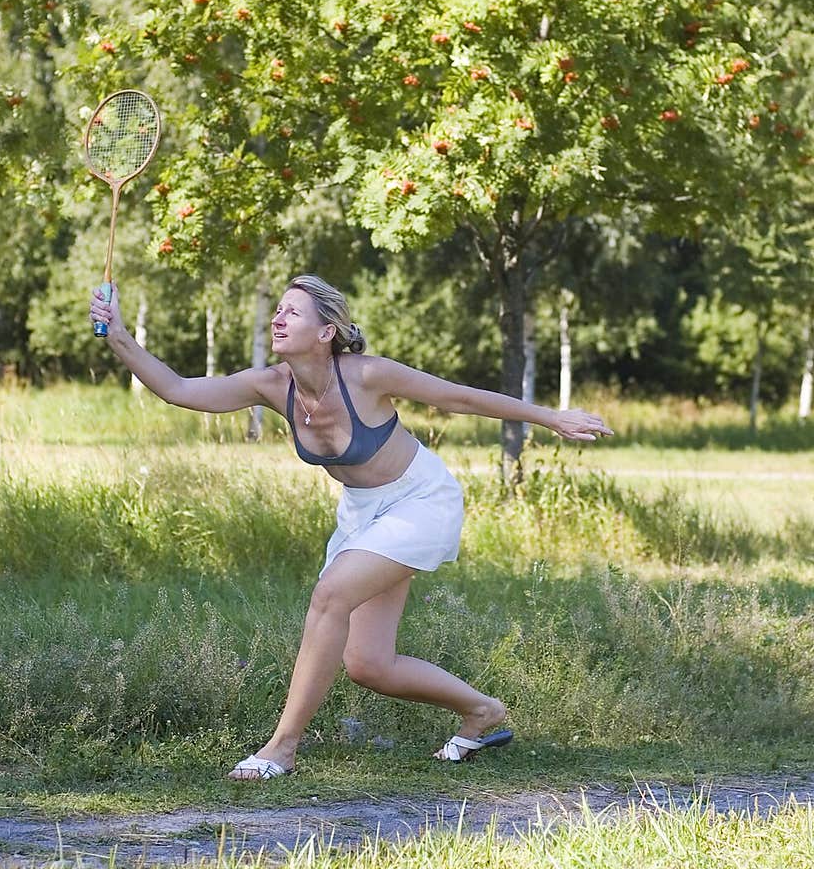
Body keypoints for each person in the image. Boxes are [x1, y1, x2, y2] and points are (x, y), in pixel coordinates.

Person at [89, 273, 613, 780]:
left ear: (326, 332)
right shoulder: (271, 386)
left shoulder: (366, 375)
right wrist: (118, 337)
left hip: (420, 500)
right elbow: (180, 389)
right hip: (363, 511)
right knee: (368, 664)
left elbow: (459, 397)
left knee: (329, 596)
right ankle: (483, 712)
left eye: (292, 312)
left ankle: (282, 748)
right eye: (277, 309)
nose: (278, 318)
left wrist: (551, 417)